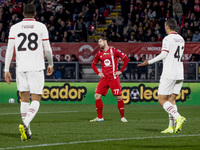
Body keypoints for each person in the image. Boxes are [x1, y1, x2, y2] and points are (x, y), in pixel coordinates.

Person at [4, 4, 53, 141]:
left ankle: (28, 131)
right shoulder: (41, 26)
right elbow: (47, 49)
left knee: (24, 98)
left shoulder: (15, 28)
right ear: (36, 13)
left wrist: (6, 69)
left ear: (22, 13)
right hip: (36, 67)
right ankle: (25, 123)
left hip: (20, 67)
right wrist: (50, 63)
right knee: (36, 98)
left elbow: (9, 49)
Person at [138, 18, 186, 133]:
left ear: (167, 26)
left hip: (169, 72)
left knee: (161, 99)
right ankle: (171, 127)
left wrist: (148, 62)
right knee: (171, 100)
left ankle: (178, 117)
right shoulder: (181, 39)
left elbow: (164, 54)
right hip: (180, 73)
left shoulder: (167, 38)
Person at [90, 37, 129, 122]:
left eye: (100, 41)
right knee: (97, 96)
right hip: (104, 79)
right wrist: (98, 73)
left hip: (113, 78)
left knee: (119, 97)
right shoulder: (99, 54)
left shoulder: (114, 51)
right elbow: (93, 65)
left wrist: (120, 71)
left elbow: (126, 59)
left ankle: (122, 117)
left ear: (105, 41)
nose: (98, 43)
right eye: (98, 42)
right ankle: (100, 118)